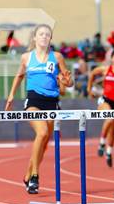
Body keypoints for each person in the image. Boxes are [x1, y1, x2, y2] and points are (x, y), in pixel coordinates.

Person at [5, 24, 73, 194]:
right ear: (35, 38)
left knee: (43, 144)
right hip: (34, 101)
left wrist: (67, 82)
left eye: (47, 35)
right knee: (41, 133)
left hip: (52, 102)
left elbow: (68, 82)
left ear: (50, 39)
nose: (44, 37)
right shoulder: (26, 57)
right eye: (41, 34)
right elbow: (19, 76)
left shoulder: (57, 57)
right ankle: (35, 176)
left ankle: (27, 176)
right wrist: (11, 95)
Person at [87, 49, 114, 167]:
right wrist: (89, 89)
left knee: (113, 130)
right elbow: (93, 73)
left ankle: (109, 152)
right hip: (105, 101)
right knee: (109, 118)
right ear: (112, 59)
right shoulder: (106, 69)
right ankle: (101, 143)